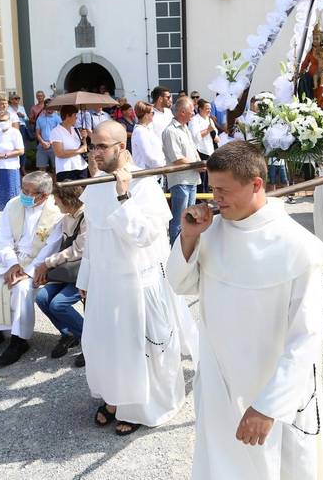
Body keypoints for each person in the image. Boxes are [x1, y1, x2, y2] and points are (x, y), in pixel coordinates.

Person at [167, 141, 323, 479]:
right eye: (212, 188)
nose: (214, 198)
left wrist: (269, 406)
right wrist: (188, 237)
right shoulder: (211, 230)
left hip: (268, 389)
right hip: (219, 381)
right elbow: (180, 284)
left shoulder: (298, 247)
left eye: (223, 190)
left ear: (256, 184)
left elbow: (305, 338)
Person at [79, 121, 195, 436]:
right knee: (107, 343)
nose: (95, 152)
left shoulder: (145, 183)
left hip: (137, 282)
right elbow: (93, 237)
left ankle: (142, 406)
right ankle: (115, 399)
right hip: (105, 282)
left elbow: (144, 236)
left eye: (102, 146)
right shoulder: (95, 183)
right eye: (92, 145)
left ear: (121, 147)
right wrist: (85, 277)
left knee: (140, 348)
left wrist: (123, 196)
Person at [0, 171, 62, 366]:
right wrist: (12, 263)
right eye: (22, 189)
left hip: (38, 264)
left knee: (21, 289)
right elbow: (3, 238)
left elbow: (51, 247)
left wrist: (27, 272)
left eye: (28, 192)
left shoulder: (56, 212)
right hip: (9, 259)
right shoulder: (13, 204)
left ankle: (19, 341)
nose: (23, 195)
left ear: (44, 195)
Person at [33, 183, 87, 362]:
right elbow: (58, 245)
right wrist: (44, 268)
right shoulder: (67, 218)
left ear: (68, 200)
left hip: (83, 273)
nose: (55, 204)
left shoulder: (87, 218)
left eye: (57, 200)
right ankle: (69, 333)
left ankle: (90, 340)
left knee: (58, 304)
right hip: (67, 271)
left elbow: (78, 250)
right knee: (42, 298)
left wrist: (47, 264)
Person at [162, 97, 201, 243]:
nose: (193, 113)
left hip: (191, 178)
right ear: (182, 112)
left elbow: (193, 150)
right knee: (179, 220)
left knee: (190, 219)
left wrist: (199, 163)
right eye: (191, 111)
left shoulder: (185, 128)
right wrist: (198, 164)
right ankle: (175, 249)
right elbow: (177, 158)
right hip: (180, 180)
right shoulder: (171, 131)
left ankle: (187, 246)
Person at [0, 111, 25, 211]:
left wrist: (3, 156)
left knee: (12, 195)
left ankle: (15, 217)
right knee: (2, 196)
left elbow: (21, 151)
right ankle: (4, 217)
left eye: (4, 120)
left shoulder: (15, 132)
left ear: (9, 120)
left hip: (11, 168)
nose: (1, 122)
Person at [51, 105, 89, 182]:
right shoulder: (56, 131)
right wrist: (79, 150)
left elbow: (84, 148)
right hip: (66, 170)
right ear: (68, 116)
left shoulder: (76, 130)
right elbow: (60, 153)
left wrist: (84, 137)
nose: (76, 118)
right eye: (75, 115)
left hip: (82, 167)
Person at [190, 99, 218, 193]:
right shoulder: (194, 120)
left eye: (210, 109)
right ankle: (200, 198)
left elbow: (215, 132)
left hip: (210, 150)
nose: (209, 110)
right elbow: (194, 137)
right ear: (200, 109)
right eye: (207, 108)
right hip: (200, 151)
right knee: (201, 178)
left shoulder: (209, 119)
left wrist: (216, 136)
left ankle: (206, 196)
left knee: (208, 178)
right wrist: (208, 130)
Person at [132, 101, 166, 170]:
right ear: (146, 115)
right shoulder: (139, 131)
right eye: (153, 113)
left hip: (156, 171)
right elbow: (148, 157)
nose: (154, 115)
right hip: (148, 173)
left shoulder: (147, 128)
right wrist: (163, 167)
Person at [34, 98, 60, 173]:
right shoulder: (40, 118)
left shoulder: (57, 118)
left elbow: (59, 133)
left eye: (52, 107)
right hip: (42, 146)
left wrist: (51, 142)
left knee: (56, 169)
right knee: (41, 170)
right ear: (45, 107)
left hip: (55, 145)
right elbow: (37, 133)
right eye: (48, 107)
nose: (50, 109)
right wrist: (43, 142)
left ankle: (55, 181)